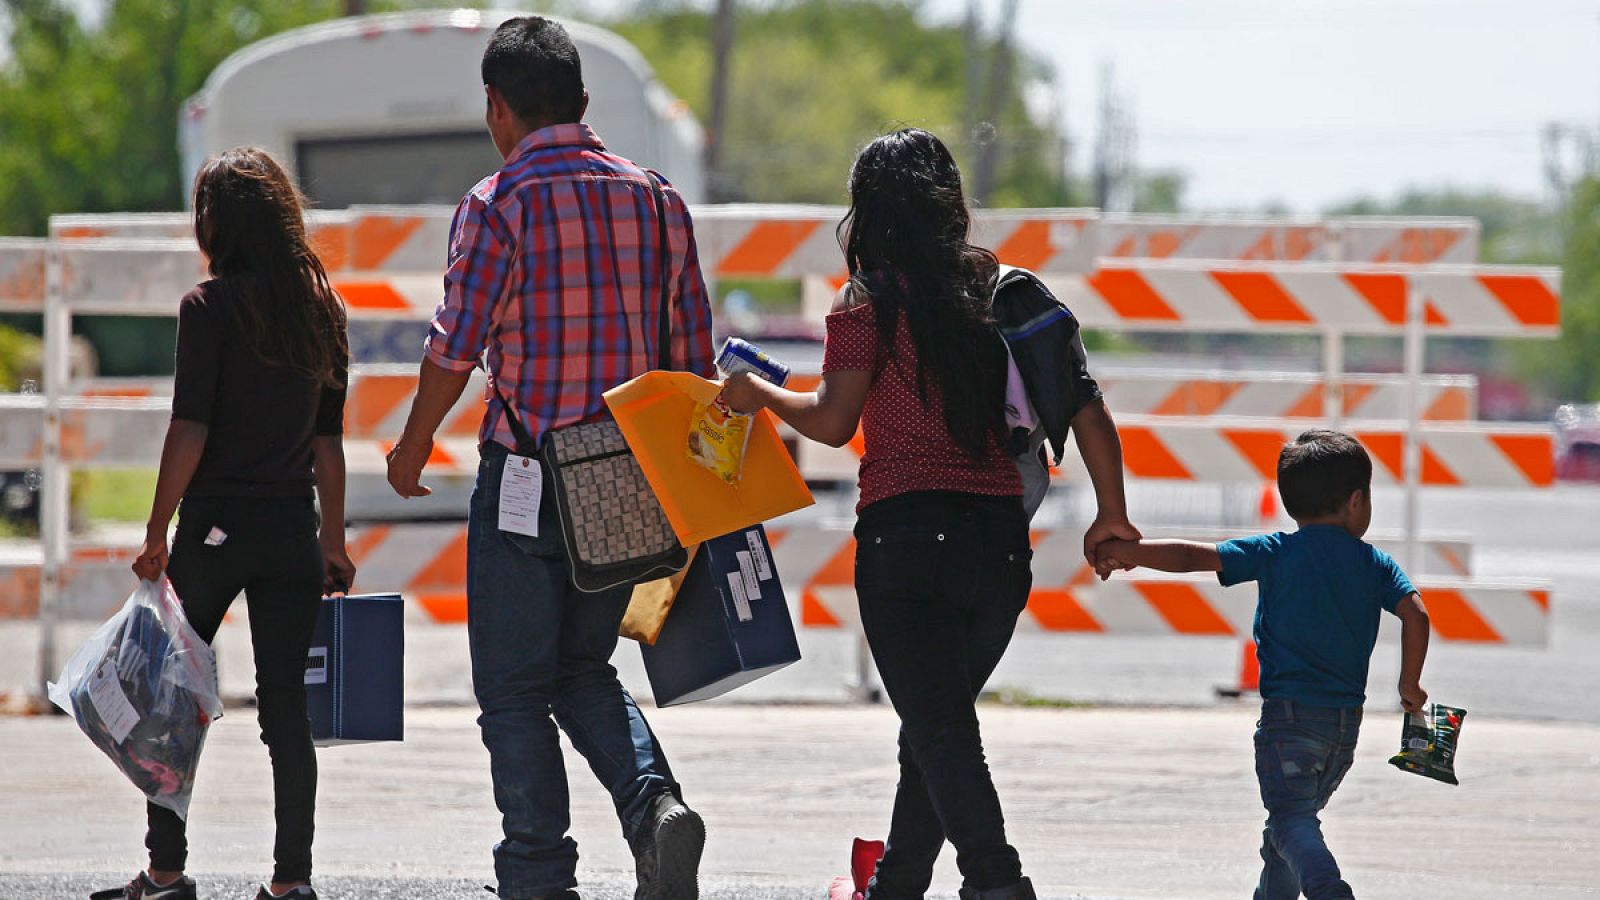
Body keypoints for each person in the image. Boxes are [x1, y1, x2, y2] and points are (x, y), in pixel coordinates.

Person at [719, 128, 1138, 900]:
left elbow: (835, 421)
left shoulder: (867, 303)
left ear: (868, 213)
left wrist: (759, 395)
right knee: (935, 728)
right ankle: (899, 883)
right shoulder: (1004, 294)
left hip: (903, 544)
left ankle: (996, 881)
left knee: (942, 731)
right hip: (997, 546)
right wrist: (1111, 516)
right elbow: (1088, 410)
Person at [384, 17, 715, 900]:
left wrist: (413, 445)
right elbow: (694, 365)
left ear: (498, 107)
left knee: (515, 689)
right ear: (583, 102)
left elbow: (455, 348)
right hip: (630, 477)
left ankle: (537, 875)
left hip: (529, 475)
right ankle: (655, 807)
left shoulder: (498, 204)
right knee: (582, 668)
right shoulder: (657, 200)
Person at [112, 148, 354, 900]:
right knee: (287, 708)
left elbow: (190, 429)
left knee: (173, 696)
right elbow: (327, 444)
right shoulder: (321, 310)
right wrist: (334, 541)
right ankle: (292, 881)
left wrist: (156, 532)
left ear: (218, 224)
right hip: (291, 531)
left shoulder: (208, 309)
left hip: (214, 529)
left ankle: (166, 871)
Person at [1093, 429, 1433, 900]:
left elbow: (1193, 556)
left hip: (1288, 721)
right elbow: (1416, 613)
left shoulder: (1276, 551)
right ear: (1357, 502)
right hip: (1343, 729)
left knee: (1291, 821)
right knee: (1288, 828)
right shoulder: (1375, 564)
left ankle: (1329, 890)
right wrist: (1410, 686)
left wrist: (1128, 552)